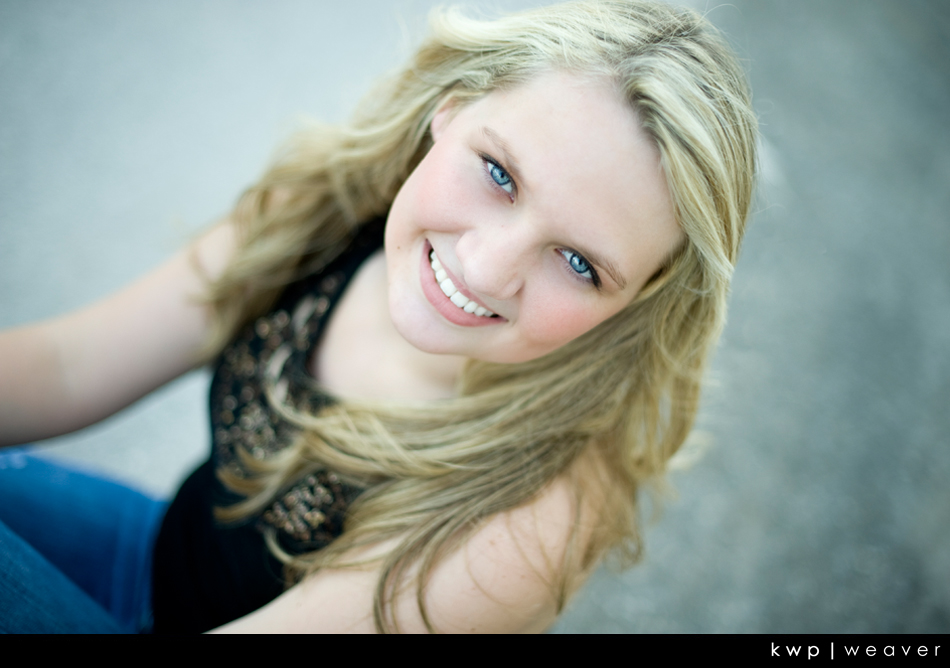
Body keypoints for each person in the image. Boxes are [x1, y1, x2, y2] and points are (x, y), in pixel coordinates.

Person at [0, 0, 757, 633]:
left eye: (579, 262)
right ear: (450, 108)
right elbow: (69, 366)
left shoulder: (530, 522)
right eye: (499, 173)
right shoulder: (327, 213)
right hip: (149, 553)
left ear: (641, 294)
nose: (486, 268)